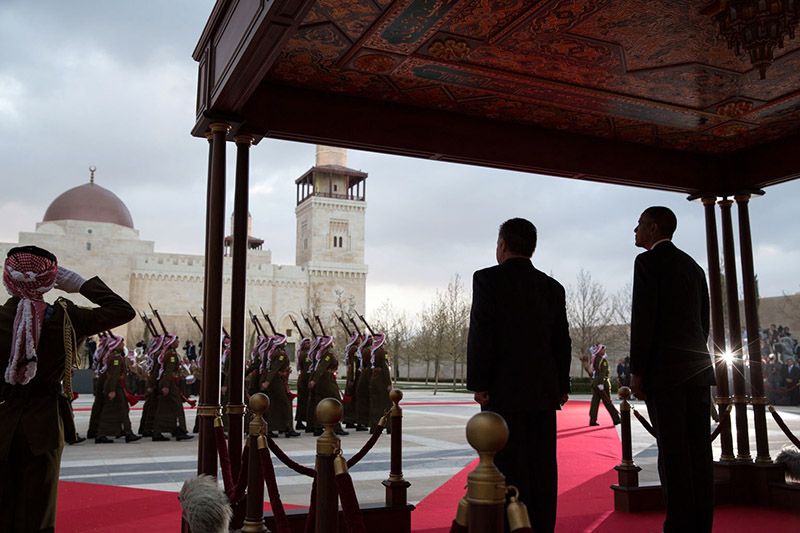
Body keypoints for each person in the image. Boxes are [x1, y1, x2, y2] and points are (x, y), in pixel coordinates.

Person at [0, 245, 135, 532]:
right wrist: (80, 284)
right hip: (45, 424)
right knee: (38, 511)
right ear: (51, 279)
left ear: (8, 279)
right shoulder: (67, 318)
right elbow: (122, 310)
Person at [466, 218, 572, 533]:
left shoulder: (487, 279)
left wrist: (480, 383)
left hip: (503, 393)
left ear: (502, 245)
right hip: (542, 394)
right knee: (541, 469)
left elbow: (481, 333)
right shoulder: (553, 288)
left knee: (506, 469)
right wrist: (561, 386)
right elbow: (561, 341)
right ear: (532, 247)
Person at [629, 206, 716, 533]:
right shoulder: (693, 267)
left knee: (673, 452)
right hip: (696, 371)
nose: (634, 231)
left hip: (665, 375)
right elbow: (703, 323)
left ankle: (679, 526)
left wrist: (638, 370)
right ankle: (701, 524)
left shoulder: (647, 262)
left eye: (639, 225)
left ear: (653, 228)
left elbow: (644, 319)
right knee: (698, 452)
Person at [95, 334, 141, 443]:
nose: (123, 345)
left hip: (117, 386)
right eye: (121, 343)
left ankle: (126, 432)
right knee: (111, 410)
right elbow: (114, 375)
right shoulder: (116, 358)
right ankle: (103, 434)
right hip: (115, 386)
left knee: (123, 409)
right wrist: (112, 390)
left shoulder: (114, 356)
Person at [588, 343, 620, 426]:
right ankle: (616, 419)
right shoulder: (602, 360)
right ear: (599, 351)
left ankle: (592, 420)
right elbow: (602, 372)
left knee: (595, 403)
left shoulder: (594, 359)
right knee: (608, 402)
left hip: (595, 383)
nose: (604, 350)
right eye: (603, 349)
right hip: (602, 383)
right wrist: (601, 383)